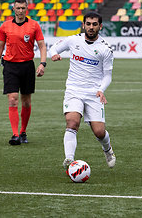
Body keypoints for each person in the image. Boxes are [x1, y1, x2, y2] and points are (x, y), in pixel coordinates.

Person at [49, 11, 116, 169]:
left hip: (93, 93)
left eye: (94, 24)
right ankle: (70, 160)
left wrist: (101, 89)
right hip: (74, 90)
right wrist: (53, 55)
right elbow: (54, 48)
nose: (91, 27)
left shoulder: (105, 49)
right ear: (83, 25)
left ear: (100, 26)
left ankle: (108, 149)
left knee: (99, 132)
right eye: (88, 24)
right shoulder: (73, 40)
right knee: (72, 122)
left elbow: (108, 76)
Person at [0, 0, 47, 145]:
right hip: (10, 66)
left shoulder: (34, 25)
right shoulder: (5, 26)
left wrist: (42, 64)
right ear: (13, 9)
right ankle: (15, 134)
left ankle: (23, 132)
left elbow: (42, 45)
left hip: (28, 66)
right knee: (12, 99)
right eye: (18, 8)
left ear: (26, 8)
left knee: (26, 102)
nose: (21, 11)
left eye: (23, 8)